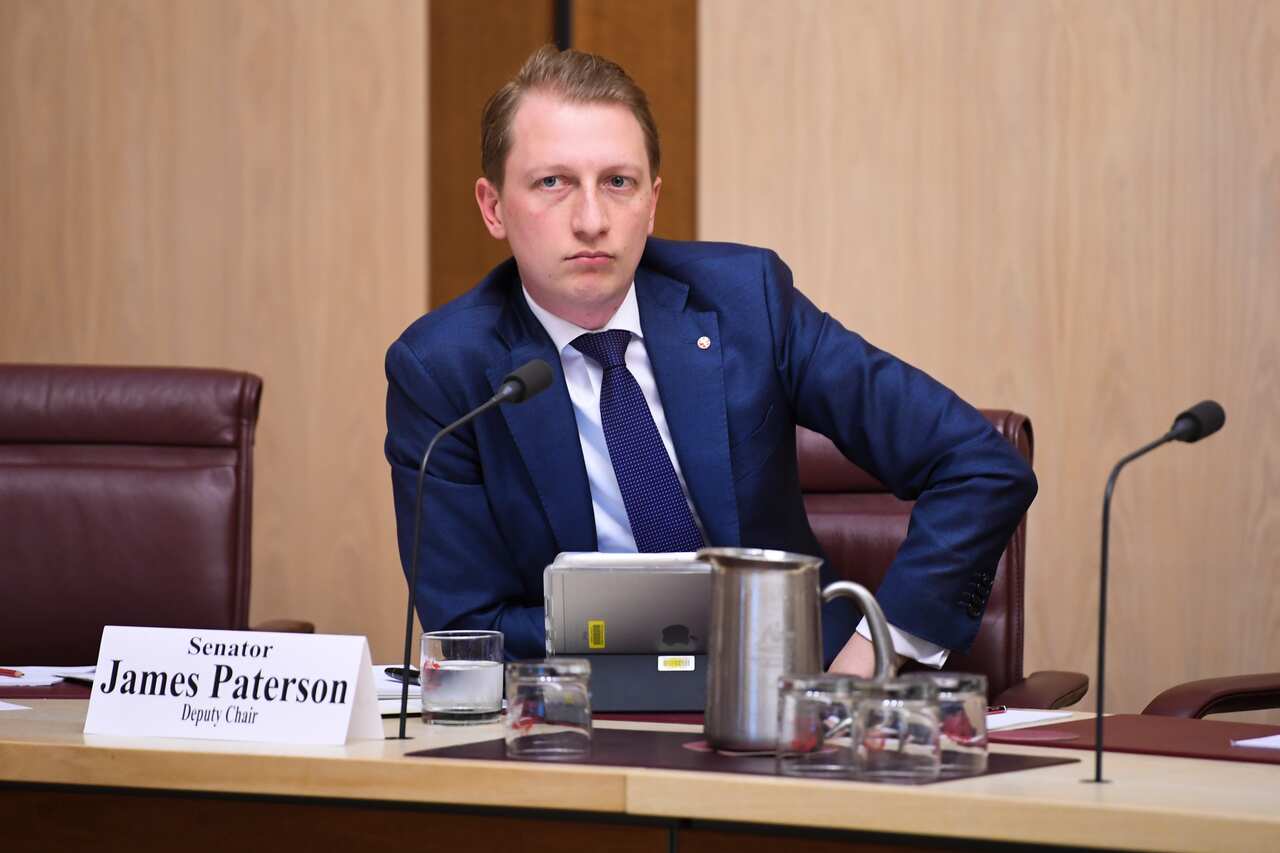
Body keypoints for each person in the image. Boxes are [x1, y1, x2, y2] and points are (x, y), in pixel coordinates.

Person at [384, 46, 1037, 675]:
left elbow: (980, 466)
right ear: (493, 206)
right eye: (553, 183)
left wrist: (871, 654)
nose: (591, 218)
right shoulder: (444, 370)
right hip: (576, 716)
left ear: (653, 202)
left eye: (618, 182)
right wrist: (654, 627)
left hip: (792, 694)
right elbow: (467, 632)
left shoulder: (745, 302)